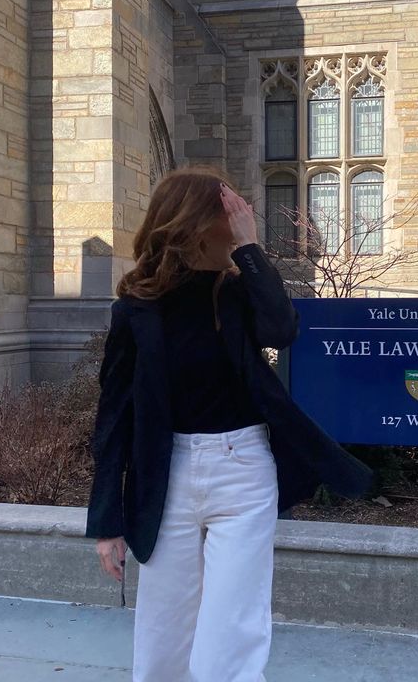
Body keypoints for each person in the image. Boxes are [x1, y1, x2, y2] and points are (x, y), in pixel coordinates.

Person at [85, 166, 373, 682]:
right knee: (161, 644)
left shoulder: (236, 292)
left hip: (242, 471)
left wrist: (249, 249)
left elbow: (282, 330)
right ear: (197, 224)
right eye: (232, 212)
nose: (243, 218)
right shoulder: (136, 308)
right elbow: (115, 415)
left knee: (228, 644)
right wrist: (106, 520)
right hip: (165, 474)